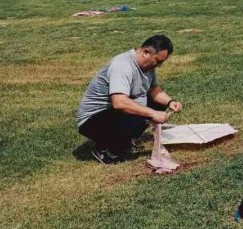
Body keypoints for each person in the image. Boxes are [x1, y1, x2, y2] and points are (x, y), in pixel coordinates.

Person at [76, 35, 182, 165]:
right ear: (145, 52)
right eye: (157, 61)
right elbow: (119, 102)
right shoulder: (122, 65)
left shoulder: (148, 67)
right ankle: (104, 149)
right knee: (140, 116)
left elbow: (153, 89)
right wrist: (152, 114)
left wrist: (170, 102)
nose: (159, 66)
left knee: (156, 105)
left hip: (112, 114)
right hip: (92, 121)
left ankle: (123, 140)